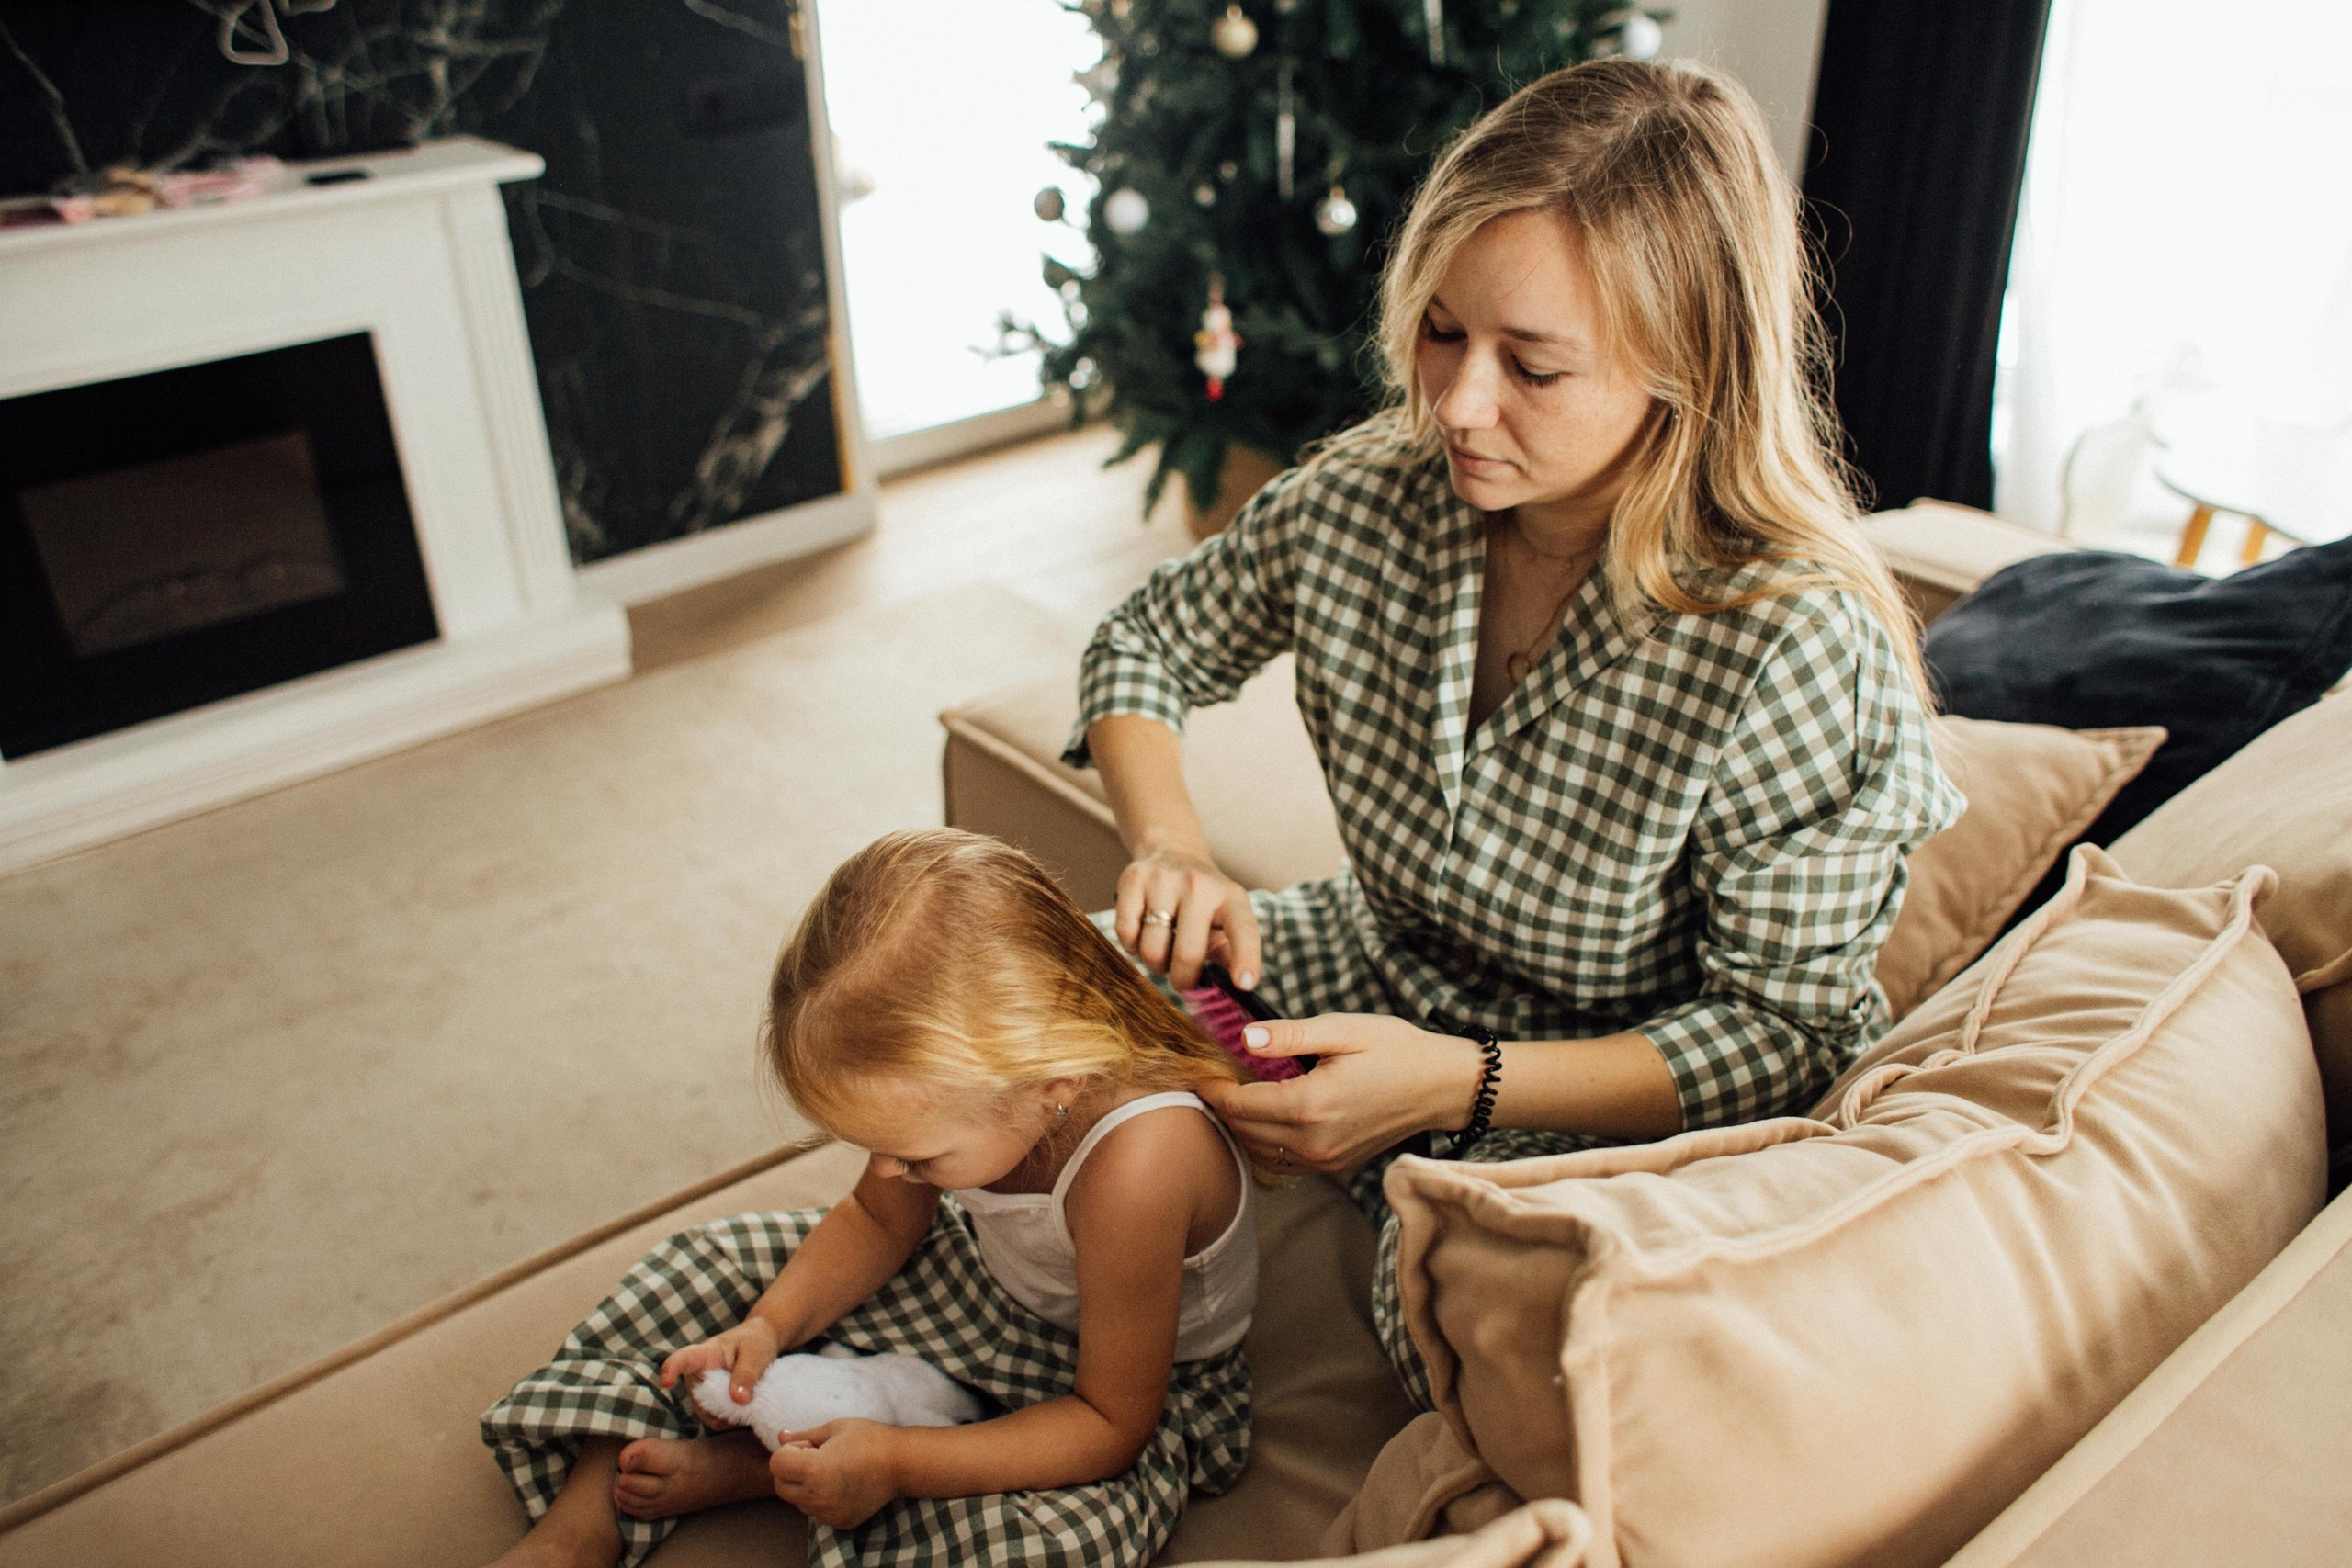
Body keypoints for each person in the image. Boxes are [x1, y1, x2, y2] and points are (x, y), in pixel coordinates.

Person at [1070, 57, 1963, 1408]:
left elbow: (1788, 1032)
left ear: (1687, 364)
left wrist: (1453, 1085)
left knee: (1470, 1314)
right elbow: (1144, 645)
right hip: (1375, 964)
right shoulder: (1370, 498)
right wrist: (1174, 844)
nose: (1456, 404)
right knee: (1027, 1005)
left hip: (1611, 1080)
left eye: (1532, 365)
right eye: (1440, 332)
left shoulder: (1788, 640)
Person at [479, 829, 1259, 1568]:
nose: (886, 1170)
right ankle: (577, 1528)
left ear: (1050, 1082)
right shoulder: (1000, 1095)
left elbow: (1109, 1426)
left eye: (915, 1155)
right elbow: (878, 1218)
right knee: (703, 1264)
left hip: (1118, 1385)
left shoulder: (1140, 1164)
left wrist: (896, 1462)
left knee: (1053, 1542)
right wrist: (769, 1325)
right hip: (982, 1290)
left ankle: (770, 1463)